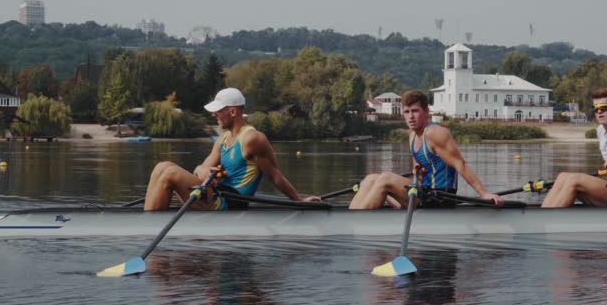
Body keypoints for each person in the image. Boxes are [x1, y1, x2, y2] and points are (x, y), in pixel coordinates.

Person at [144, 87, 320, 210]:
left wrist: (299, 201)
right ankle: (148, 216)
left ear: (233, 112)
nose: (214, 115)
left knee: (170, 173)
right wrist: (201, 169)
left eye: (219, 110)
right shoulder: (223, 139)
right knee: (162, 165)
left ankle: (147, 226)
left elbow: (274, 175)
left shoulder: (253, 138)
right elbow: (200, 169)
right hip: (215, 194)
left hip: (230, 202)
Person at [349, 89, 503, 209]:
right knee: (370, 179)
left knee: (385, 178)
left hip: (440, 197)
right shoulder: (412, 136)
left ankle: (359, 222)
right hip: (423, 192)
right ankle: (351, 218)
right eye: (407, 112)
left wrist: (483, 193)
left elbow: (460, 164)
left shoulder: (435, 133)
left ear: (426, 112)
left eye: (415, 111)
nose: (410, 117)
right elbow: (419, 173)